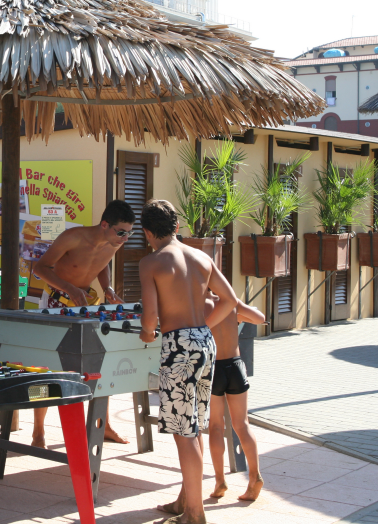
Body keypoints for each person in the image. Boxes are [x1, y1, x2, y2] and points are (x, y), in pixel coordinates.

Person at [137, 199, 238, 524]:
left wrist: (147, 334)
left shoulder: (151, 263)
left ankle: (195, 512)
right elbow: (230, 301)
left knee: (185, 431)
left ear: (148, 232)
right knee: (193, 423)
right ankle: (185, 499)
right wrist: (201, 329)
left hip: (178, 348)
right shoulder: (201, 256)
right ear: (177, 227)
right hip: (205, 344)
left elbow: (150, 317)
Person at [29, 200, 136, 448]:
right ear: (104, 225)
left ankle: (104, 425)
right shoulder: (72, 237)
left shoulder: (114, 242)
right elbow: (40, 268)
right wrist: (68, 288)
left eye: (129, 233)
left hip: (83, 303)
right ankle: (38, 431)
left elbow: (101, 262)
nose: (124, 238)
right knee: (46, 367)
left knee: (100, 362)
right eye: (121, 232)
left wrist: (107, 288)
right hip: (56, 300)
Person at [204, 292, 265, 502]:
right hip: (236, 365)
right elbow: (260, 318)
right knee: (242, 424)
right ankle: (254, 476)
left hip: (214, 369)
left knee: (215, 426)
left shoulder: (196, 304)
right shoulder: (229, 300)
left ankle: (220, 480)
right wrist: (239, 313)